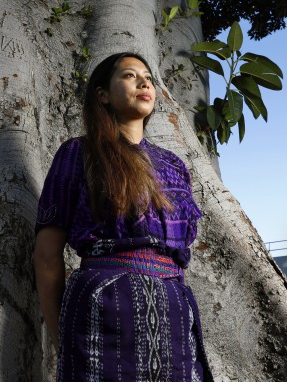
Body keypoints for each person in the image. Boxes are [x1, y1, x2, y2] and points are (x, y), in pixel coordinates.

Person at [33, 52, 213, 381]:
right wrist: (61, 335)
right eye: (130, 76)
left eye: (148, 77)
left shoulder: (173, 164)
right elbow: (47, 254)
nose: (144, 82)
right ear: (102, 94)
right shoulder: (79, 153)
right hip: (104, 305)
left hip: (173, 307)